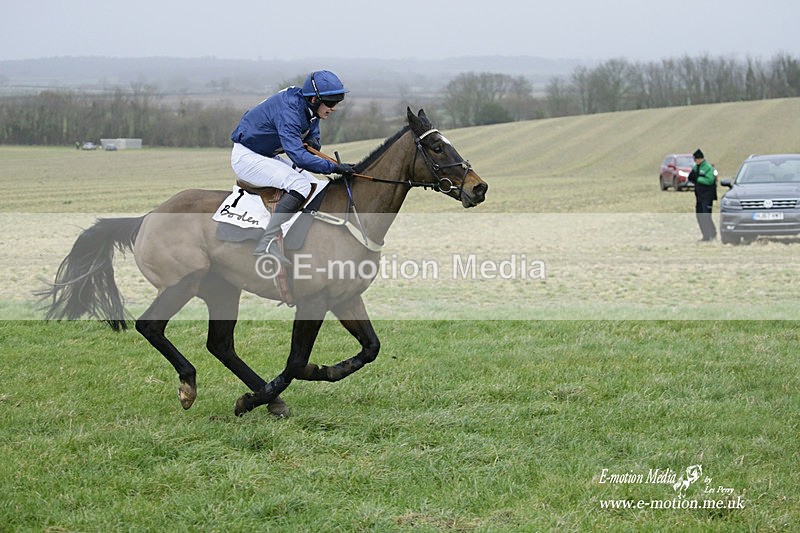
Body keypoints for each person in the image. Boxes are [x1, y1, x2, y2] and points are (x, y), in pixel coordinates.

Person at [230, 70, 356, 264]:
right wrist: (333, 167)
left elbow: (312, 133)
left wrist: (314, 143)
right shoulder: (289, 110)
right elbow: (298, 157)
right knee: (301, 186)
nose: (335, 108)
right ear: (314, 99)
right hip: (247, 157)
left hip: (265, 155)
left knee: (316, 185)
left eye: (337, 102)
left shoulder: (309, 108)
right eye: (331, 103)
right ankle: (266, 243)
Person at [688, 148, 717, 241]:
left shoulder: (708, 168)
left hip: (707, 196)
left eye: (695, 159)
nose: (695, 161)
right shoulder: (696, 167)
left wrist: (698, 179)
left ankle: (712, 234)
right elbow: (691, 177)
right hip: (699, 196)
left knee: (706, 215)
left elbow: (710, 180)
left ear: (700, 159)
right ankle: (705, 236)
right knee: (699, 215)